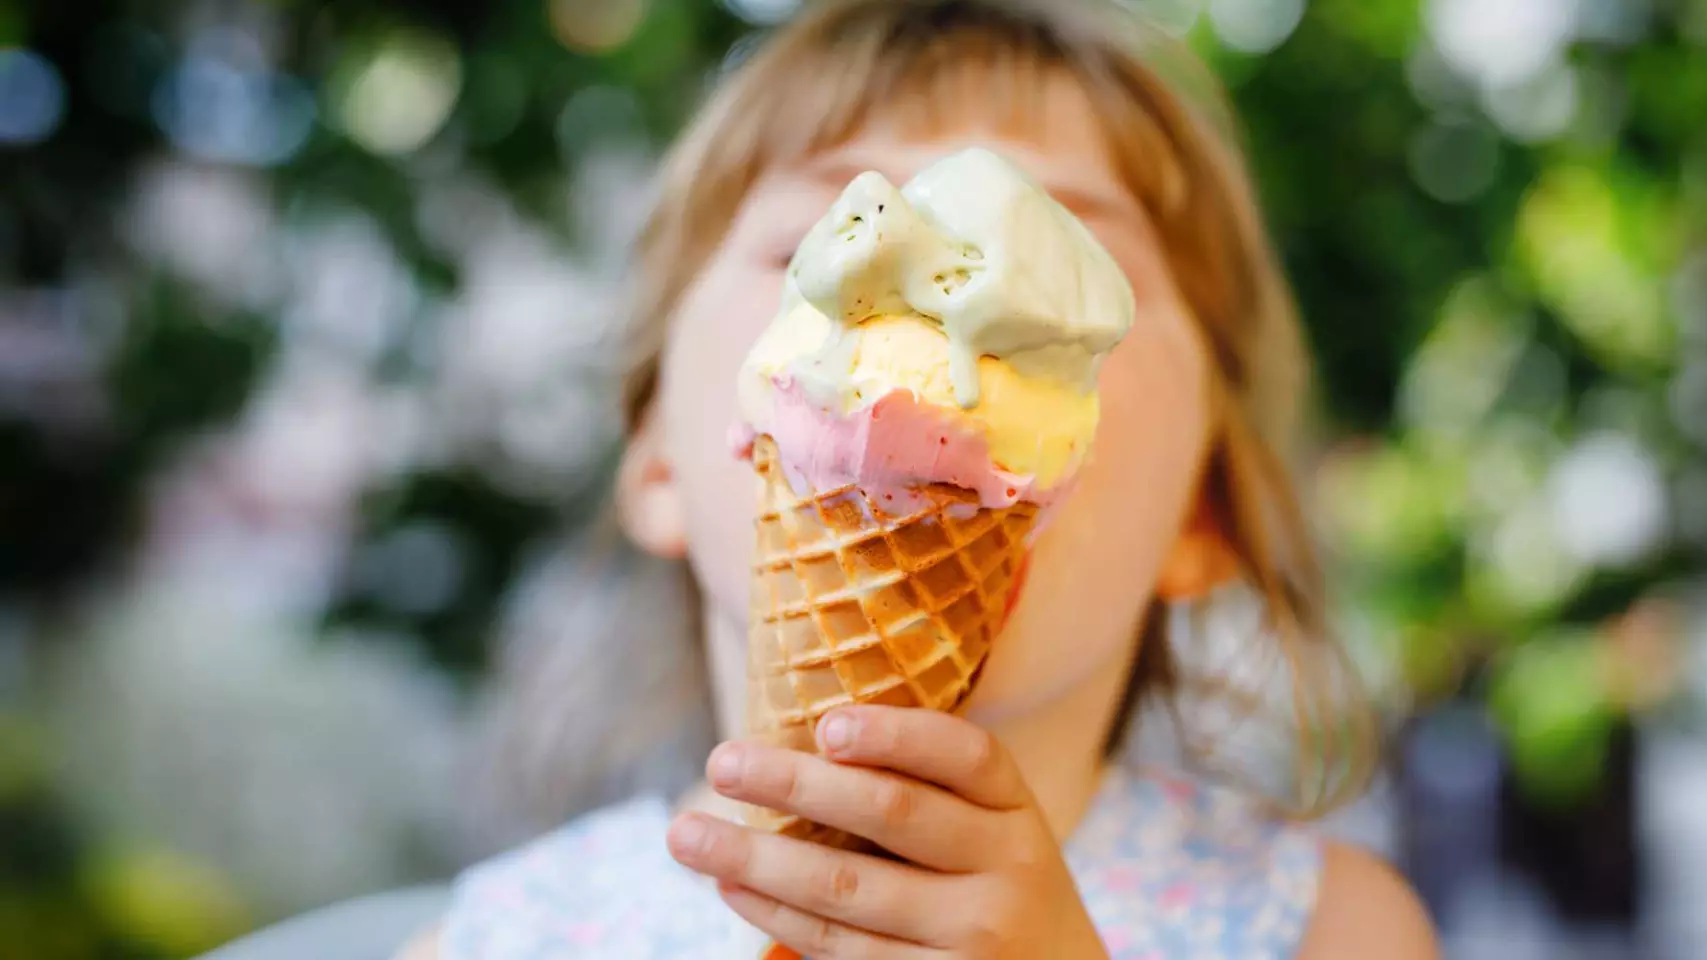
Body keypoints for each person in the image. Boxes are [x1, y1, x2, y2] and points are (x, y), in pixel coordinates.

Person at [406, 0, 1439, 955]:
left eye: (1061, 255)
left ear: (1204, 507)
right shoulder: (503, 937)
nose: (938, 302)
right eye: (821, 238)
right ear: (659, 460)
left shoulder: (1326, 927)